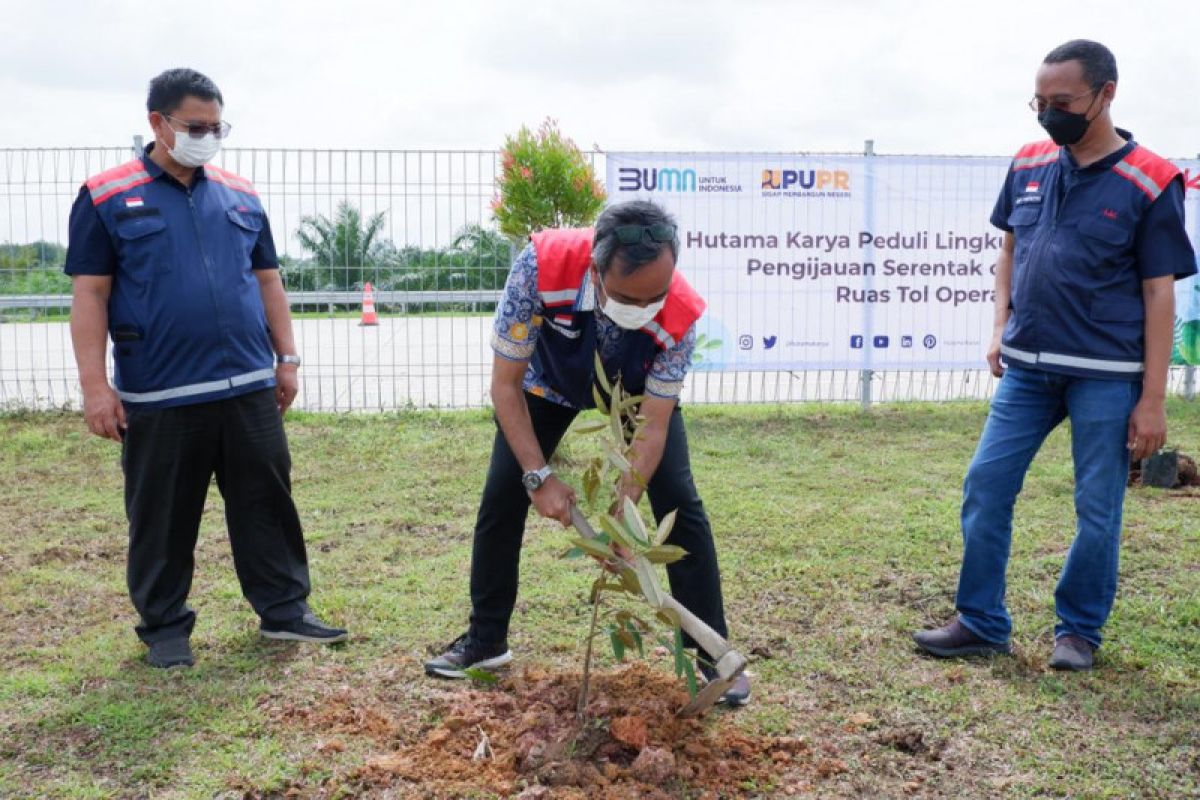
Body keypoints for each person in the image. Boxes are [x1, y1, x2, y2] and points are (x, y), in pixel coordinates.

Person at [913, 40, 1196, 671]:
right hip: (1027, 369)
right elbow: (1010, 251)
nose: (1048, 114)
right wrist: (997, 328)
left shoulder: (1150, 180)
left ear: (1106, 94)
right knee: (986, 485)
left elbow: (1158, 294)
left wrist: (1152, 398)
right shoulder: (1029, 163)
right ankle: (981, 621)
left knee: (1098, 508)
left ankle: (1078, 632)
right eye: (1039, 102)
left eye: (1062, 102)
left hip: (1107, 375)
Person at [64, 68, 346, 669]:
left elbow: (268, 279)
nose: (208, 137)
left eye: (218, 127)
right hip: (160, 394)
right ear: (158, 123)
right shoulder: (105, 197)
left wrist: (287, 358)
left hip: (247, 385)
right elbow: (89, 295)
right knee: (162, 513)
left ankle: (285, 612)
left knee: (267, 503)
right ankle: (165, 627)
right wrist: (95, 387)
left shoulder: (240, 195)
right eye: (197, 126)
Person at [424, 200, 750, 705]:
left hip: (634, 395)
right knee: (501, 496)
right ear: (594, 272)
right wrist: (537, 475)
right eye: (626, 298)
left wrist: (623, 513)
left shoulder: (680, 314)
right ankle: (485, 642)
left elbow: (654, 426)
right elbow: (505, 386)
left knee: (680, 501)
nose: (643, 310)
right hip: (545, 387)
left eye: (654, 299)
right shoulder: (540, 267)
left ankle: (709, 658)